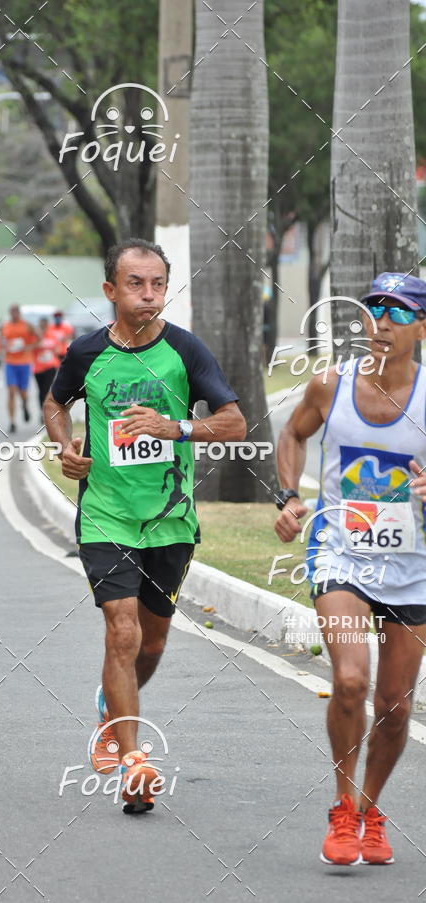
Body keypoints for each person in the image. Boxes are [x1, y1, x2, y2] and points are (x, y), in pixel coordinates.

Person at [44, 238, 245, 813]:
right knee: (123, 632)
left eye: (157, 283)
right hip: (107, 515)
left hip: (171, 521)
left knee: (152, 641)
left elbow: (233, 421)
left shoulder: (185, 351)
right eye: (136, 283)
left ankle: (112, 713)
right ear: (111, 290)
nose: (148, 294)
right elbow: (55, 405)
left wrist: (174, 427)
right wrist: (66, 448)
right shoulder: (86, 353)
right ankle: (133, 759)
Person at [274, 272, 426, 866]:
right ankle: (342, 806)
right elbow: (291, 434)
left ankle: (369, 809)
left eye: (397, 311)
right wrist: (287, 497)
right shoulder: (330, 385)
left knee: (394, 706)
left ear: (422, 325)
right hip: (341, 554)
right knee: (352, 681)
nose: (381, 323)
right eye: (372, 310)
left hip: (414, 567)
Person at [1, 305, 37, 433]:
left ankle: (24, 403)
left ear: (19, 313)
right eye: (12, 312)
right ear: (10, 313)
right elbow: (2, 341)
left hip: (24, 362)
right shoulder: (5, 326)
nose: (14, 314)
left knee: (22, 392)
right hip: (10, 362)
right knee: (11, 392)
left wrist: (29, 347)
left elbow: (39, 338)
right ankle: (12, 422)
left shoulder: (27, 325)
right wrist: (5, 345)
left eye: (16, 312)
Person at [32, 317, 60, 422]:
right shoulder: (35, 337)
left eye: (44, 325)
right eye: (41, 326)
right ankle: (41, 411)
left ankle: (46, 412)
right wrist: (38, 340)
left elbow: (57, 350)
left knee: (46, 390)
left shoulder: (52, 336)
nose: (43, 327)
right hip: (38, 368)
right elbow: (30, 348)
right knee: (40, 391)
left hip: (50, 367)